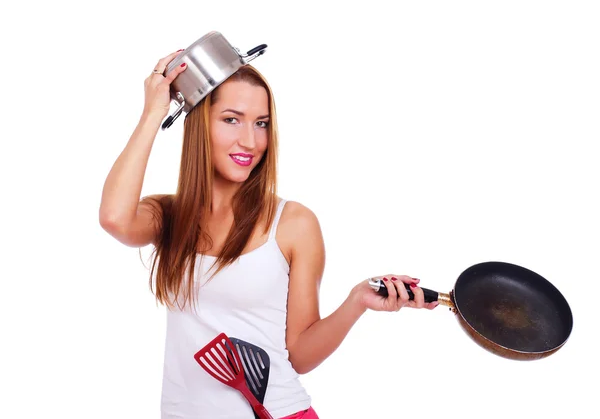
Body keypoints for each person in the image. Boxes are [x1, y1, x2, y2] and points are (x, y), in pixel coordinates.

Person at [99, 49, 438, 419]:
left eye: (261, 123)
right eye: (232, 119)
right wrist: (153, 114)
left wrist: (356, 300)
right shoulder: (168, 216)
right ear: (198, 124)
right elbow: (115, 218)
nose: (250, 141)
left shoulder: (293, 223)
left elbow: (300, 355)